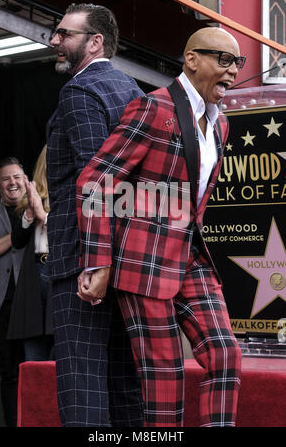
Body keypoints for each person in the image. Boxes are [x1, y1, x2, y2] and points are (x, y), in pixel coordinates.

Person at [76, 27, 246, 427]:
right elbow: (96, 182)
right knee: (164, 379)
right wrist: (98, 262)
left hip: (191, 258)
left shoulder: (221, 125)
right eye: (224, 60)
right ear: (191, 59)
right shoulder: (153, 108)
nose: (233, 71)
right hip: (143, 262)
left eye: (238, 63)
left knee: (225, 354)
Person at [45, 3, 144, 427]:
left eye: (65, 34)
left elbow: (96, 180)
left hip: (84, 265)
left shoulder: (80, 91)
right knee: (125, 386)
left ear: (96, 41)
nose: (54, 41)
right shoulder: (133, 91)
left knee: (81, 384)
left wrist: (96, 262)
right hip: (128, 263)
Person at [0, 157, 26, 426]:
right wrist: (19, 233)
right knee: (9, 373)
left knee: (34, 369)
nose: (12, 182)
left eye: (17, 177)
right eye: (6, 179)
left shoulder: (39, 210)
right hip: (1, 306)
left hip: (34, 307)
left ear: (27, 181)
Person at [8, 145, 54, 361]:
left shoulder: (75, 193)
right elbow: (17, 241)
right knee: (34, 361)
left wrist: (43, 216)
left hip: (60, 276)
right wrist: (29, 213)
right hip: (35, 278)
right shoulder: (32, 196)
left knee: (62, 363)